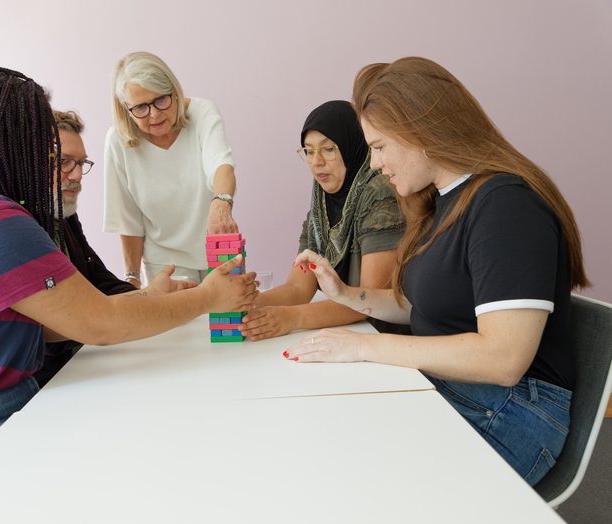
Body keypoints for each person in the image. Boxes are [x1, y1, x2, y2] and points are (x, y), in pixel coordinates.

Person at [0, 68, 258, 523]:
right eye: (44, 144)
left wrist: (150, 301)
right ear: (8, 143)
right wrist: (207, 297)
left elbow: (71, 314)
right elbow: (99, 324)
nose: (56, 161)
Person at [287, 57, 590, 487]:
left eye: (379, 146)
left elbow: (502, 359)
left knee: (348, 471)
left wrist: (364, 347)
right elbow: (419, 308)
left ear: (419, 132)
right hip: (461, 387)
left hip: (512, 409)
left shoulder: (505, 205)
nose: (373, 164)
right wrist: (344, 292)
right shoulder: (442, 200)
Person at [240, 101, 405, 341]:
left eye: (328, 149)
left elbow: (372, 297)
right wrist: (245, 303)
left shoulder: (379, 192)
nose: (316, 162)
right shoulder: (322, 198)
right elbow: (298, 288)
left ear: (352, 147)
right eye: (308, 151)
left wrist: (291, 319)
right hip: (351, 336)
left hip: (387, 337)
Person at [104, 51, 238, 288]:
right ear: (126, 108)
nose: (154, 114)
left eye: (160, 101)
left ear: (174, 93)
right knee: (179, 324)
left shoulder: (203, 113)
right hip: (165, 264)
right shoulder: (117, 142)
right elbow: (129, 219)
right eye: (141, 108)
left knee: (228, 320)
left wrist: (221, 202)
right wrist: (132, 277)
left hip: (216, 249)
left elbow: (221, 164)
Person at [34, 109, 136, 387]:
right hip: (46, 382)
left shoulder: (65, 216)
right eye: (65, 162)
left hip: (80, 363)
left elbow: (100, 280)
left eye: (81, 163)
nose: (78, 175)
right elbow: (52, 333)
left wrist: (156, 297)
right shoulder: (19, 227)